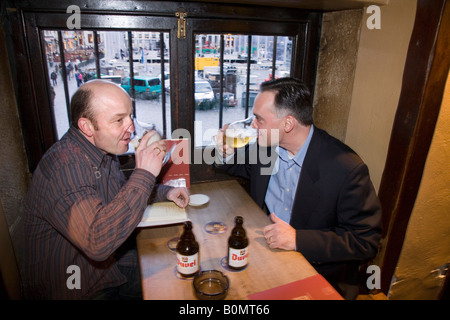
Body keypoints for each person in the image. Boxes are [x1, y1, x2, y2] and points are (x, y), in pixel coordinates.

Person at [215, 77, 381, 299]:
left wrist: (297, 239)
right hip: (265, 253)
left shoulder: (346, 169)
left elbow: (366, 241)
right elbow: (240, 165)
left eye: (259, 119)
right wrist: (223, 152)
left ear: (288, 124)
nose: (253, 125)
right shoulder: (266, 148)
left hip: (317, 272)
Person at [23, 79, 190, 299]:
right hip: (79, 287)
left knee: (180, 269)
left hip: (110, 268)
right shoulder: (64, 167)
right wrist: (145, 173)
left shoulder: (102, 153)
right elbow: (98, 243)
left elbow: (121, 194)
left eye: (130, 116)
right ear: (87, 126)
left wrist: (164, 191)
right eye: (119, 120)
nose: (130, 128)